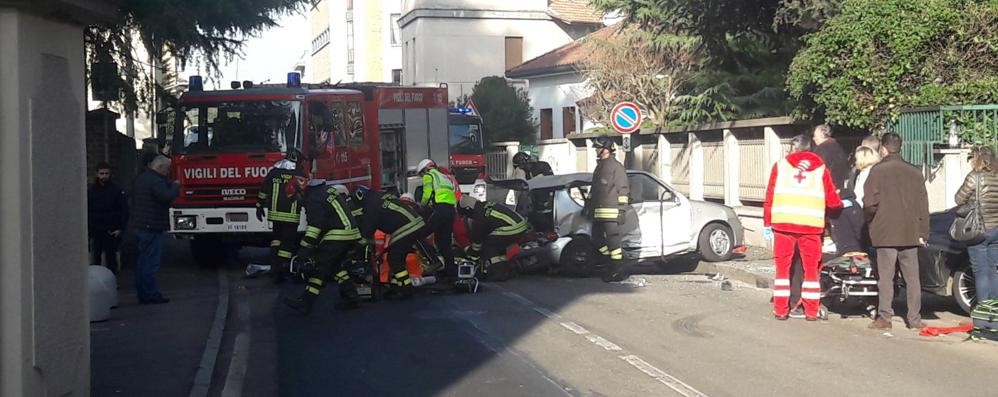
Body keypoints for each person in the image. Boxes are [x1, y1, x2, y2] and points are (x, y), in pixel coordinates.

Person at [763, 134, 842, 321]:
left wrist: (767, 222)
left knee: (782, 270)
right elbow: (832, 199)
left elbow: (770, 196)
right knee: (811, 271)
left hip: (783, 225)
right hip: (811, 227)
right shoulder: (821, 168)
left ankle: (781, 310)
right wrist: (838, 206)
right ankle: (811, 311)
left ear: (793, 148)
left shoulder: (780, 166)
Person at [863, 133, 929, 330]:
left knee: (885, 276)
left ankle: (884, 317)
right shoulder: (915, 172)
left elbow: (869, 203)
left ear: (883, 148)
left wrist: (869, 220)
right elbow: (923, 205)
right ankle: (915, 319)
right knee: (912, 278)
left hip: (885, 232)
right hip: (910, 232)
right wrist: (923, 232)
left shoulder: (877, 171)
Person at [285, 178, 364, 314]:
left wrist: (303, 251)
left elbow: (315, 227)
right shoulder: (324, 191)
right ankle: (352, 297)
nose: (297, 202)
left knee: (319, 266)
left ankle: (306, 302)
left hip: (338, 234)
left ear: (301, 191)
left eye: (296, 197)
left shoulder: (313, 199)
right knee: (335, 267)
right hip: (351, 233)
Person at [351, 185, 426, 299]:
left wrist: (357, 246)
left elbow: (367, 230)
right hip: (411, 224)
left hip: (406, 227)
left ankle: (406, 290)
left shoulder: (371, 206)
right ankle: (400, 287)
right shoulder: (378, 197)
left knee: (394, 258)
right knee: (396, 259)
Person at [130, 155, 179, 304]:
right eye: (167, 169)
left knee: (142, 262)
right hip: (151, 226)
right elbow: (166, 196)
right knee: (150, 263)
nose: (167, 172)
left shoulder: (141, 178)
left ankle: (143, 293)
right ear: (159, 167)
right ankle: (151, 295)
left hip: (140, 224)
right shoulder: (155, 180)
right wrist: (176, 186)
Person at [955, 146, 998, 304]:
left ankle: (982, 312)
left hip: (978, 230)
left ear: (977, 158)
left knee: (980, 272)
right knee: (993, 270)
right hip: (996, 230)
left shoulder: (974, 176)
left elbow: (959, 199)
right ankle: (994, 313)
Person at [256, 149, 307, 284]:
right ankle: (281, 270)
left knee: (276, 240)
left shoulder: (274, 173)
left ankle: (274, 267)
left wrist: (259, 206)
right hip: (291, 216)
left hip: (275, 215)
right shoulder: (299, 175)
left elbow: (264, 190)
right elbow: (304, 195)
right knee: (287, 244)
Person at [588, 135, 630, 282]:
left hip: (612, 212)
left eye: (598, 148)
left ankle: (617, 270)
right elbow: (594, 189)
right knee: (596, 240)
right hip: (598, 212)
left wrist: (621, 210)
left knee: (614, 243)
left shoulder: (616, 167)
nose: (596, 150)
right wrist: (588, 207)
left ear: (605, 149)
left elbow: (623, 190)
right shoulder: (599, 166)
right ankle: (610, 263)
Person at [457, 196, 528, 281]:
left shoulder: (479, 217)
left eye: (465, 214)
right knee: (497, 243)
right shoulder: (485, 206)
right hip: (520, 224)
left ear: (468, 209)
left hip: (513, 228)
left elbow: (477, 242)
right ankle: (506, 267)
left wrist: (472, 256)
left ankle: (498, 273)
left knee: (489, 245)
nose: (467, 217)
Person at [416, 159, 458, 278]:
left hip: (440, 209)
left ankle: (434, 261)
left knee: (419, 235)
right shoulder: (445, 177)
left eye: (421, 174)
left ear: (426, 169)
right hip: (451, 211)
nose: (422, 176)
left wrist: (421, 205)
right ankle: (451, 274)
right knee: (444, 244)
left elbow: (427, 194)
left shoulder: (429, 176)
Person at [88, 162, 128, 273]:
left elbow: (123, 210)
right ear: (97, 174)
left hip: (111, 229)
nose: (104, 176)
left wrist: (120, 228)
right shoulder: (91, 191)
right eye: (102, 173)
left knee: (111, 258)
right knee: (96, 257)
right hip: (96, 229)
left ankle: (112, 280)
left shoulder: (116, 190)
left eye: (106, 173)